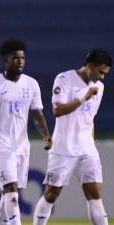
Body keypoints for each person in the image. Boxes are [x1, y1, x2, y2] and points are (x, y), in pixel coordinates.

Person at [0, 38, 51, 225]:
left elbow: (37, 114)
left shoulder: (31, 84)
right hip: (2, 146)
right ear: (5, 60)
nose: (20, 62)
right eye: (15, 58)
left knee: (9, 194)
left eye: (22, 58)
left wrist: (47, 136)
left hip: (22, 147)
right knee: (12, 192)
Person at [33, 49, 112, 225]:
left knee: (94, 193)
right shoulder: (64, 79)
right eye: (100, 72)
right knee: (51, 193)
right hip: (64, 147)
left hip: (87, 148)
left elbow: (89, 118)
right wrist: (83, 98)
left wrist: (90, 144)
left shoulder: (99, 87)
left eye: (105, 74)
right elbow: (57, 110)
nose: (102, 77)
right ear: (90, 66)